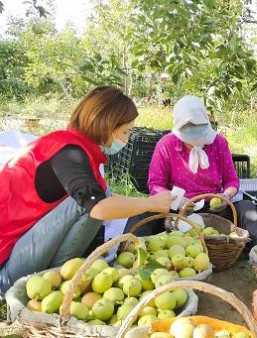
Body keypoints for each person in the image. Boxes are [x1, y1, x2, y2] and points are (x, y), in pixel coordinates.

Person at [0, 86, 173, 293]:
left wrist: (150, 204)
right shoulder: (67, 152)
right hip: (7, 269)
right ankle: (58, 275)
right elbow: (98, 207)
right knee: (89, 201)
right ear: (106, 125)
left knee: (100, 195)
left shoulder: (78, 150)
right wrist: (150, 203)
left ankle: (61, 276)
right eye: (125, 132)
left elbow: (106, 198)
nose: (126, 140)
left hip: (23, 252)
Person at [145, 95, 257, 245]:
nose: (195, 143)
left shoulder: (219, 143)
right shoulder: (166, 145)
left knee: (246, 207)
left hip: (214, 211)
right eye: (189, 140)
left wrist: (225, 196)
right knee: (146, 211)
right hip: (178, 211)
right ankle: (133, 248)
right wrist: (177, 201)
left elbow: (231, 180)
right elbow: (155, 185)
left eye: (199, 138)